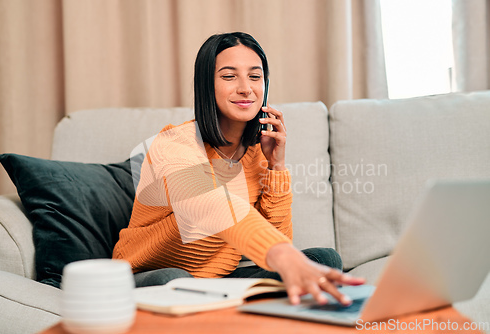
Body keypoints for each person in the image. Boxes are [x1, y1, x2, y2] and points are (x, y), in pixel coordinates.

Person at [113, 32, 364, 306]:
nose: (246, 88)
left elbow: (278, 238)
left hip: (221, 278)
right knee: (174, 283)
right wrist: (283, 255)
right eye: (229, 76)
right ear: (207, 85)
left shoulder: (257, 153)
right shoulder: (174, 144)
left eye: (255, 77)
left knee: (324, 259)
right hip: (150, 275)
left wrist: (276, 166)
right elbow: (211, 206)